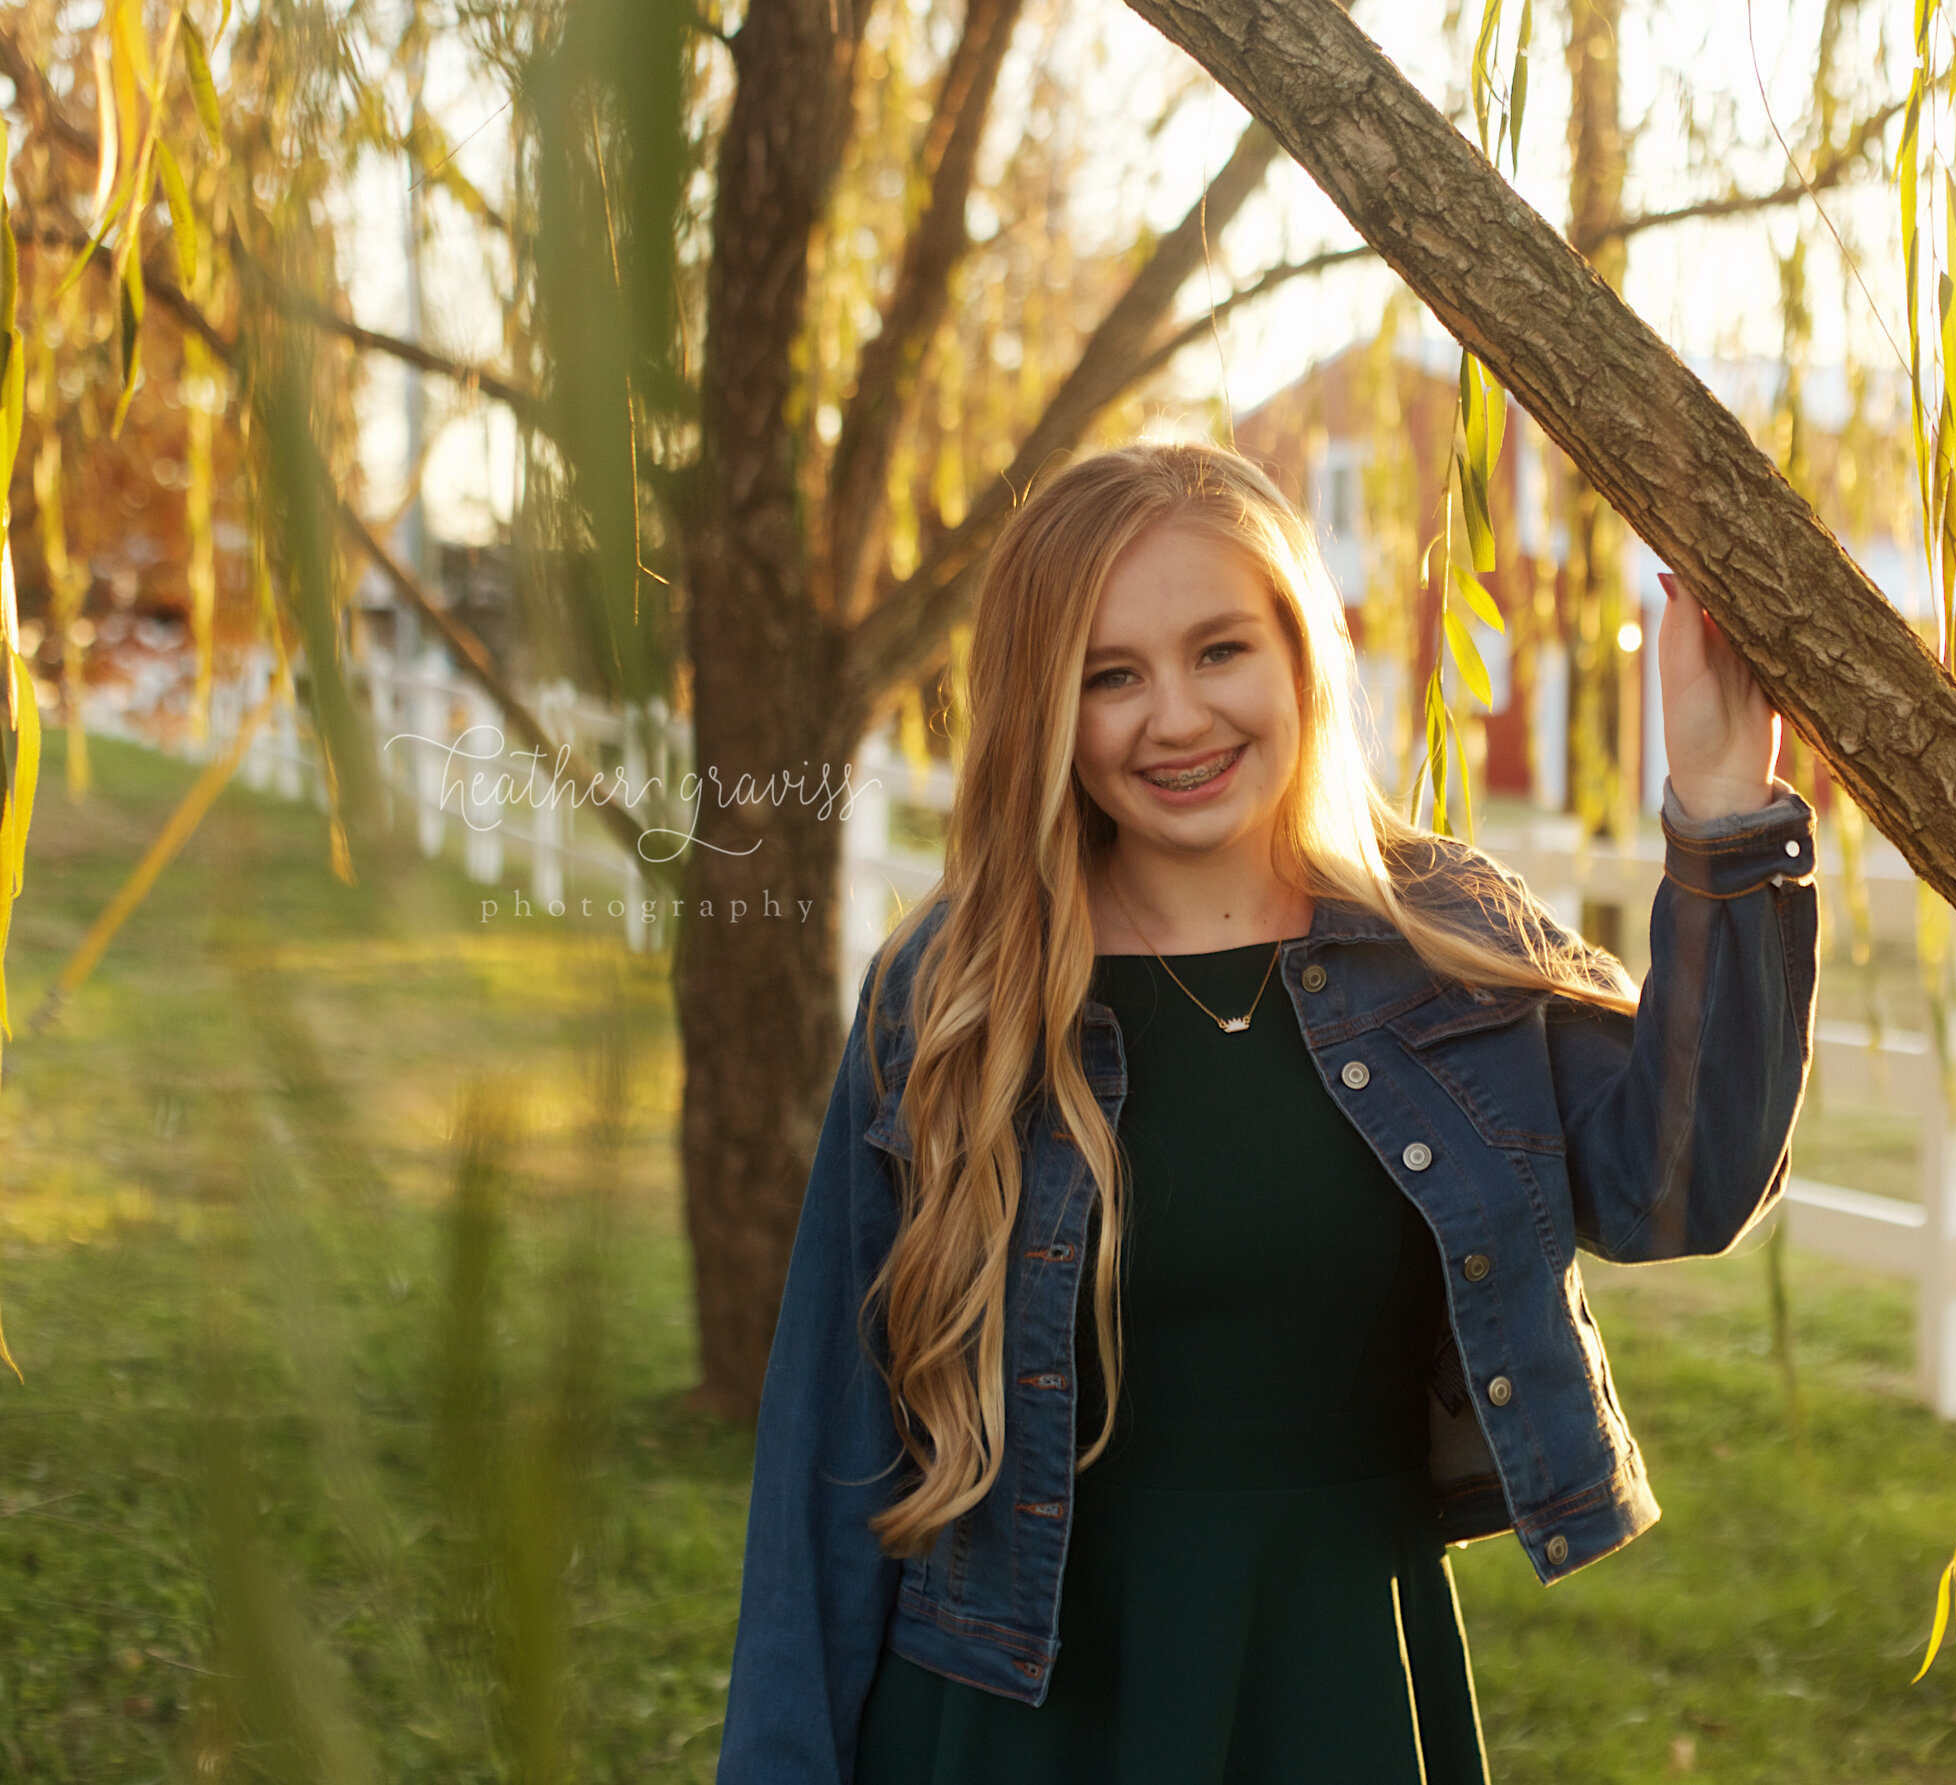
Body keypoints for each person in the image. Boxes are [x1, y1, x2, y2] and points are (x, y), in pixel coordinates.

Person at [717, 442, 1817, 1784]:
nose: (1174, 718)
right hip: (1012, 1711)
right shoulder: (955, 993)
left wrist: (1721, 807)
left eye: (1219, 650)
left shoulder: (1438, 941)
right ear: (1042, 710)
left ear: (1300, 654)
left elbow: (1685, 1180)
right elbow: (827, 1447)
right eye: (1109, 675)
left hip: (1337, 1680)